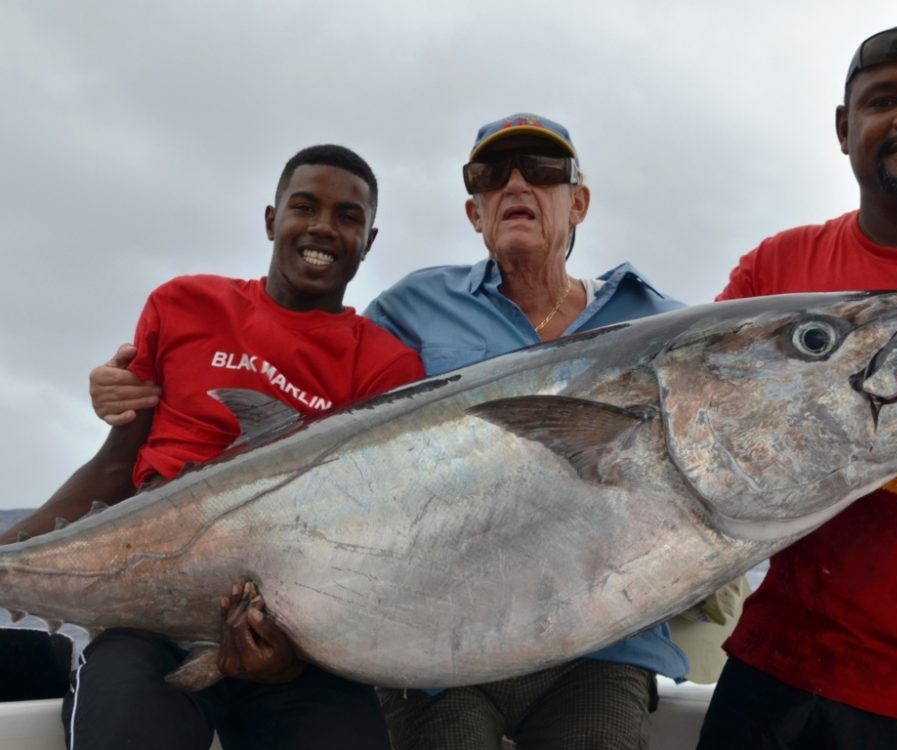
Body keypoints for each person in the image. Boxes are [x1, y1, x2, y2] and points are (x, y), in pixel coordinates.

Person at [87, 113, 691, 749]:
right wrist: (129, 391)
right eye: (491, 175)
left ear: (579, 202)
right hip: (440, 646)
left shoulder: (661, 326)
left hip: (603, 644)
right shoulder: (413, 308)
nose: (516, 186)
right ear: (473, 211)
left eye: (542, 172)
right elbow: (327, 404)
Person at [4, 144, 424, 750]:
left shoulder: (388, 367)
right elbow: (115, 467)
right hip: (148, 623)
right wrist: (8, 557)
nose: (323, 228)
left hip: (298, 650)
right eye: (304, 206)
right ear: (270, 219)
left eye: (348, 217)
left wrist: (287, 656)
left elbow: (377, 538)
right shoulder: (183, 305)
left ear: (370, 239)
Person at [697, 24, 897, 749]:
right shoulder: (775, 269)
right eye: (883, 99)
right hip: (770, 674)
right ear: (846, 130)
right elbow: (711, 423)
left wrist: (858, 442)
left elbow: (763, 430)